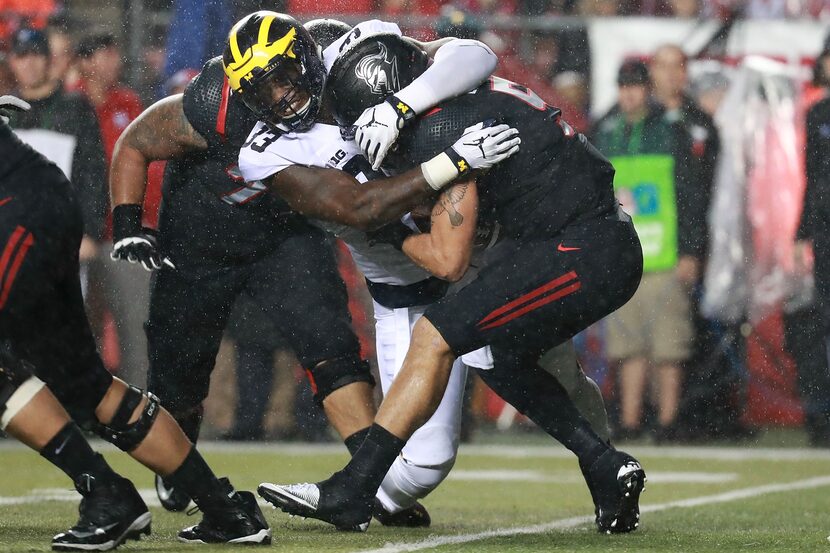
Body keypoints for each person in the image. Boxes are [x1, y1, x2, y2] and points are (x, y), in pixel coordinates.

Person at [227, 23, 644, 534]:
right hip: (545, 246)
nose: (280, 94)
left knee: (443, 334)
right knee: (495, 353)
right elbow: (363, 200)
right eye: (260, 87)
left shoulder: (435, 124)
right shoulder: (288, 132)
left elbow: (445, 258)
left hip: (577, 247)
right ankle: (606, 469)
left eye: (286, 75)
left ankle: (355, 489)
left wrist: (399, 213)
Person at [0, 95, 270, 549]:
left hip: (18, 209)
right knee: (84, 382)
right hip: (36, 201)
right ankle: (226, 510)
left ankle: (107, 494)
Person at [591, 59, 701, 441]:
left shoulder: (671, 131)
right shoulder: (605, 131)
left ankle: (669, 421)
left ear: (647, 88)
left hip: (665, 254)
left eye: (635, 86)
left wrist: (690, 249)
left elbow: (690, 196)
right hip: (623, 259)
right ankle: (631, 420)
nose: (629, 93)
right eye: (623, 86)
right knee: (628, 345)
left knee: (668, 346)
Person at [74, 31, 152, 387]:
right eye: (103, 56)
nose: (112, 63)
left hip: (122, 233)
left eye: (113, 55)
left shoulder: (128, 103)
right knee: (80, 329)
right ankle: (86, 406)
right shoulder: (69, 106)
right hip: (81, 238)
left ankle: (143, 409)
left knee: (136, 325)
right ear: (85, 62)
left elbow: (146, 164)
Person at [6, 26, 107, 270]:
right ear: (11, 62)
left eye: (35, 55)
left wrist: (90, 232)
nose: (28, 64)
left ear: (49, 60)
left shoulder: (74, 109)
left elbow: (93, 172)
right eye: (21, 56)